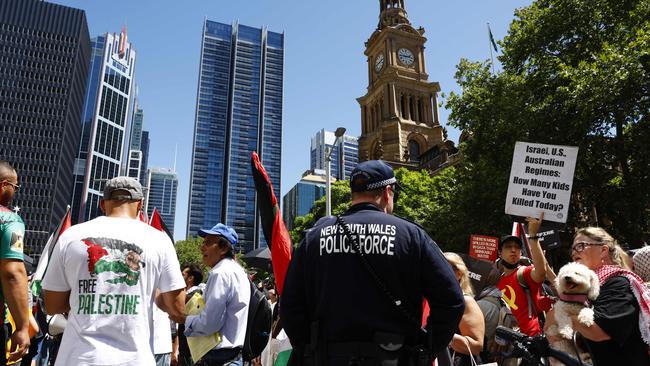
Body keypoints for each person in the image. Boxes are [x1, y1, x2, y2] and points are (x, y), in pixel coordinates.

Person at [281, 160, 465, 365]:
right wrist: (425, 349)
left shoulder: (315, 237)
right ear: (388, 192)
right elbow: (452, 300)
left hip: (329, 357)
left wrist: (309, 350)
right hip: (395, 357)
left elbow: (290, 305)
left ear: (354, 194)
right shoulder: (412, 235)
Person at [41, 176, 186, 365]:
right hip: (134, 360)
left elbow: (52, 305)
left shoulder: (71, 236)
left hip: (77, 358)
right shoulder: (159, 240)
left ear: (102, 204)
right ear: (140, 204)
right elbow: (178, 309)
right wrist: (155, 294)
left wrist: (84, 297)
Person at [548, 227, 650, 365]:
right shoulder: (586, 288)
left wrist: (558, 315)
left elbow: (598, 331)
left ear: (603, 250)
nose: (573, 253)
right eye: (572, 249)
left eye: (580, 246)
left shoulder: (619, 283)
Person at [177, 223, 250, 366]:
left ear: (223, 248)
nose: (202, 247)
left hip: (219, 358)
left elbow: (210, 323)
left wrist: (183, 319)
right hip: (233, 357)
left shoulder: (220, 273)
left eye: (208, 243)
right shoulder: (239, 271)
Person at [496, 214, 546, 337]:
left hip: (531, 339)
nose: (513, 250)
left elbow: (541, 272)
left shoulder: (524, 272)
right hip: (508, 343)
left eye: (517, 247)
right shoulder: (496, 281)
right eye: (508, 247)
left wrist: (533, 236)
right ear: (500, 254)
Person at [0, 161, 30, 365]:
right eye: (15, 187)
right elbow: (12, 273)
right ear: (4, 185)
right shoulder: (10, 221)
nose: (15, 191)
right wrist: (22, 327)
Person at [443, 253, 485, 366]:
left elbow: (476, 347)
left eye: (444, 267)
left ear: (459, 274)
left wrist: (441, 334)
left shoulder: (466, 302)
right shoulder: (434, 299)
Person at [174, 264, 204, 366]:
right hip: (186, 349)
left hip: (190, 350)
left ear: (190, 278)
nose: (179, 277)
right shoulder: (190, 294)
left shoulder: (195, 295)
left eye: (183, 274)